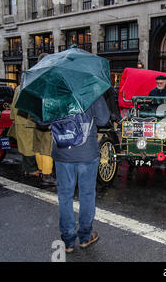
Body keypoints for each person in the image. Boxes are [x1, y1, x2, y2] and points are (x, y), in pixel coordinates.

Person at [53, 95, 110, 253]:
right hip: (86, 152)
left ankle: (68, 240)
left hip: (62, 151)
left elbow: (41, 121)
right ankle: (85, 237)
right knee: (87, 194)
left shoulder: (54, 91)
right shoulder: (90, 88)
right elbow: (103, 119)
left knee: (65, 196)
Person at [33, 53, 56, 185]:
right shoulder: (49, 77)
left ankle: (41, 171)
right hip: (47, 116)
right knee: (47, 148)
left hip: (35, 116)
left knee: (39, 146)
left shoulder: (34, 76)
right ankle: (47, 176)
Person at [8, 85, 39, 179]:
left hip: (21, 121)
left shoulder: (19, 87)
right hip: (26, 121)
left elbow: (14, 105)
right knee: (29, 147)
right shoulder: (30, 87)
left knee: (25, 146)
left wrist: (13, 118)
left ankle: (28, 168)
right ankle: (31, 170)